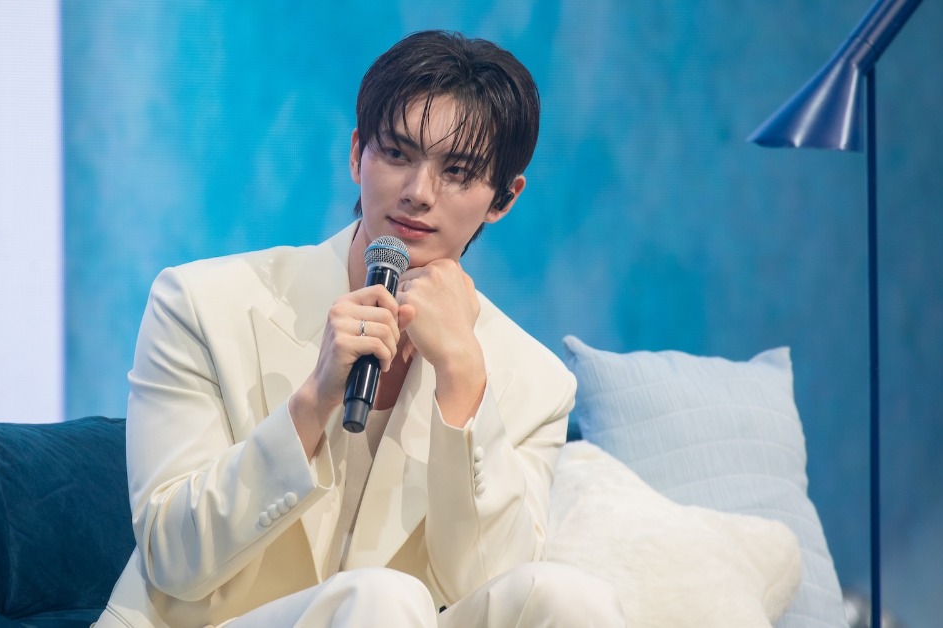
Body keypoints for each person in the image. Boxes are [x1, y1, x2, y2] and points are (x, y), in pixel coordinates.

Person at [96, 30, 624, 628]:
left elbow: (490, 585)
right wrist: (313, 402)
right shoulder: (201, 304)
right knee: (381, 597)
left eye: (458, 171)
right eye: (396, 154)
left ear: (503, 198)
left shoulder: (537, 382)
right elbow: (172, 559)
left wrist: (463, 379)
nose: (418, 193)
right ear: (356, 155)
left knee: (572, 599)